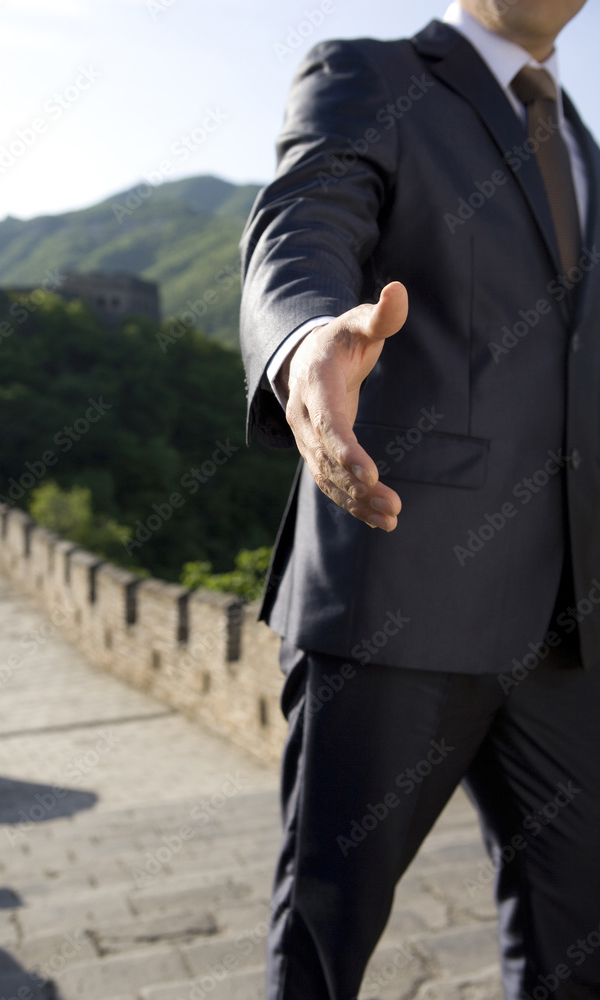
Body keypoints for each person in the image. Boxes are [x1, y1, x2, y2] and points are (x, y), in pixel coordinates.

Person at [239, 1, 600, 998]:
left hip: (569, 626)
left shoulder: (580, 142)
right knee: (324, 938)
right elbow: (302, 228)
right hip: (396, 585)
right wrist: (306, 338)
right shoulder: (370, 75)